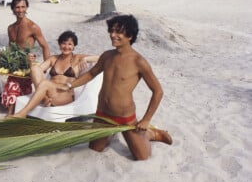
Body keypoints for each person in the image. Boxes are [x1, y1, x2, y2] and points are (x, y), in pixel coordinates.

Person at [21, 15, 172, 161]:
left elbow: (158, 91)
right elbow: (91, 74)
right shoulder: (107, 56)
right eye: (111, 31)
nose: (113, 35)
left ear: (130, 36)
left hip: (125, 117)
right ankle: (112, 134)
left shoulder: (139, 61)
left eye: (118, 32)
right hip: (103, 115)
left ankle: (151, 134)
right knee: (95, 148)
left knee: (141, 156)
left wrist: (146, 120)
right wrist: (69, 85)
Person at [13, 30, 98, 115]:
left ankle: (22, 113)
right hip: (50, 91)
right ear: (59, 44)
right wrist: (30, 62)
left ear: (74, 46)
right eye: (64, 43)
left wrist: (86, 59)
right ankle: (45, 98)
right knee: (35, 68)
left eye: (70, 44)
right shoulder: (53, 59)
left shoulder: (77, 58)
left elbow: (100, 57)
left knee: (45, 83)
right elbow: (36, 71)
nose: (66, 47)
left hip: (65, 93)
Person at [1, 0, 52, 115]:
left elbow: (45, 46)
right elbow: (11, 48)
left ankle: (11, 114)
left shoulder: (32, 27)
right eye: (17, 7)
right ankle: (13, 111)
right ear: (13, 9)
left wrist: (46, 67)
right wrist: (4, 59)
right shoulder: (10, 28)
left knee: (13, 84)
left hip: (28, 64)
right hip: (16, 65)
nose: (20, 10)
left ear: (27, 7)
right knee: (13, 84)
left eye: (23, 7)